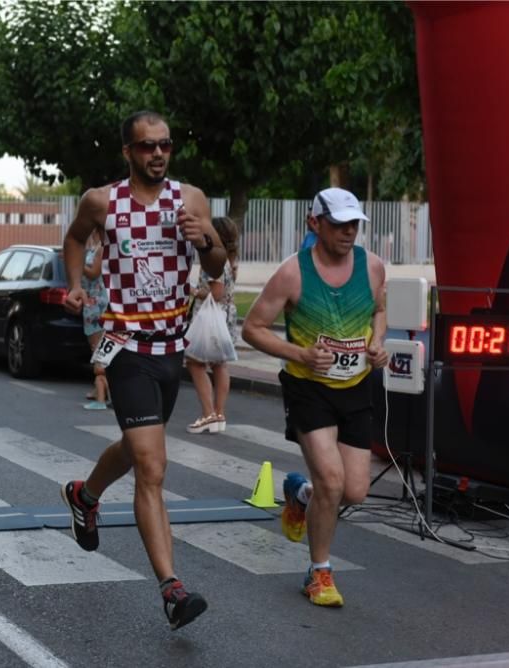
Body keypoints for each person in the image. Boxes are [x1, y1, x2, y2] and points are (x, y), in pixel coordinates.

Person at [61, 110, 225, 630]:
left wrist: (207, 242)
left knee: (137, 451)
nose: (157, 154)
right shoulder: (102, 201)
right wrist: (75, 284)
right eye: (147, 146)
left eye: (165, 145)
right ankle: (172, 588)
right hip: (124, 344)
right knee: (152, 466)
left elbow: (218, 266)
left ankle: (84, 495)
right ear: (128, 153)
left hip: (171, 347)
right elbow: (74, 240)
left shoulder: (192, 199)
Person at [242, 187, 388, 609]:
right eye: (339, 223)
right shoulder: (293, 273)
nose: (348, 232)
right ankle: (318, 571)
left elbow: (378, 310)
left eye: (354, 224)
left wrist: (377, 343)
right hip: (309, 388)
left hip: (356, 386)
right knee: (332, 479)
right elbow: (253, 327)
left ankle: (300, 495)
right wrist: (299, 354)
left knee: (355, 491)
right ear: (315, 223)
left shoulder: (373, 266)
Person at [185, 216, 240, 433]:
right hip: (224, 316)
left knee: (195, 362)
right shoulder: (230, 259)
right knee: (219, 364)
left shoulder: (214, 261)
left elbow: (216, 294)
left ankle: (208, 413)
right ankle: (218, 414)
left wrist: (193, 290)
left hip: (211, 316)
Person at [82, 228, 110, 410]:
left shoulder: (101, 248)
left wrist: (77, 265)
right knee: (97, 349)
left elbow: (94, 272)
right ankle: (98, 390)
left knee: (98, 350)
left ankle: (100, 397)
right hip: (91, 301)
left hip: (97, 303)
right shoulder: (93, 247)